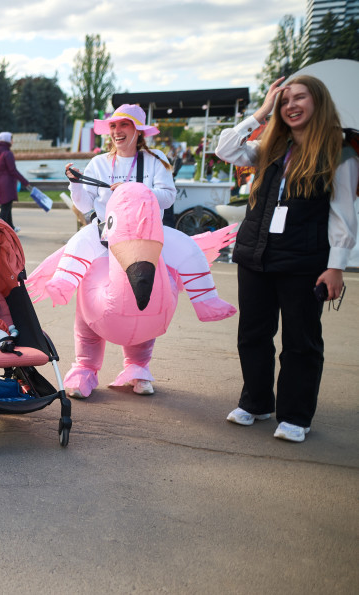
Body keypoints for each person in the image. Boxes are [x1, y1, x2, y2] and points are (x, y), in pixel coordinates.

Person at [216, 75, 358, 443]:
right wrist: (261, 112)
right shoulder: (270, 146)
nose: (291, 106)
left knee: (301, 340)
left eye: (300, 98)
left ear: (318, 102)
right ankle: (257, 402)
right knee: (253, 334)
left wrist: (336, 266)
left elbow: (343, 213)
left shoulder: (340, 151)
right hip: (254, 256)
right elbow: (225, 149)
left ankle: (295, 415)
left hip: (304, 262)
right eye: (285, 100)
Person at [52, 104, 229, 397]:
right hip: (105, 242)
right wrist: (75, 184)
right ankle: (85, 368)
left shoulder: (155, 160)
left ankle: (138, 366)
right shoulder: (98, 164)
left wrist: (135, 193)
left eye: (124, 126)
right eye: (113, 126)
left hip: (144, 241)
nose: (117, 132)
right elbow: (85, 205)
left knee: (147, 301)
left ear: (138, 130)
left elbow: (168, 197)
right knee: (88, 306)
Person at [0, 132, 31, 232]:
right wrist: (25, 182)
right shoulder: (7, 153)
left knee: (7, 206)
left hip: (0, 182)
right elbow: (13, 170)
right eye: (11, 139)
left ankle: (11, 228)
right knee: (5, 208)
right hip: (7, 183)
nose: (12, 141)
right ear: (6, 140)